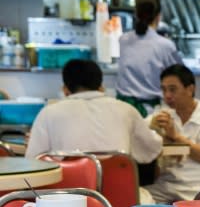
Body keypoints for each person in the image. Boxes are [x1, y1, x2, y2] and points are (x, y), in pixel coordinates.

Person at [26, 58, 162, 164]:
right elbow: (151, 149)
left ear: (65, 89)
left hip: (68, 195)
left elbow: (34, 162)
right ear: (101, 87)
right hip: (120, 197)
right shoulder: (126, 110)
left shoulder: (48, 113)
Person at [143, 64, 200, 203]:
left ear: (190, 89)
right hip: (168, 186)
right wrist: (152, 130)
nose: (167, 96)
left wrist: (174, 136)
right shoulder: (163, 116)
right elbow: (139, 132)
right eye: (164, 90)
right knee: (137, 199)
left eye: (172, 90)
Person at [116, 0, 182, 117]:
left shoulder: (123, 40)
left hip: (122, 112)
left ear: (136, 14)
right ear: (159, 16)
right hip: (151, 113)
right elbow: (180, 74)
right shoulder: (165, 45)